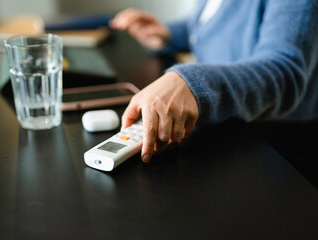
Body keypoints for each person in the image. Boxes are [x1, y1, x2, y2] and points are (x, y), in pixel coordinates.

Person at [109, 0, 318, 163]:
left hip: (278, 148)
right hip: (229, 125)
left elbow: (283, 72)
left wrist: (192, 82)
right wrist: (168, 34)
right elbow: (209, 25)